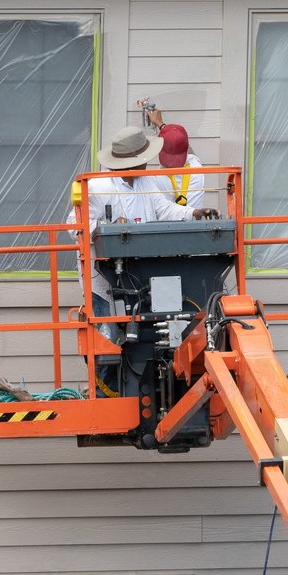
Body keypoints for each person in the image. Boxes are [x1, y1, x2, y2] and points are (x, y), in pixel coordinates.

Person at [71, 125, 217, 395]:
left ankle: (133, 391)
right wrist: (107, 227)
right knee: (108, 336)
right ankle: (104, 396)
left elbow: (164, 209)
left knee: (141, 335)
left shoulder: (145, 182)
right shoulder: (97, 186)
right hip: (103, 277)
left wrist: (193, 213)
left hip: (138, 275)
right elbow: (73, 224)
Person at [145, 108, 204, 209]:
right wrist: (161, 124)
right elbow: (184, 145)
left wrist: (160, 124)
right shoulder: (196, 166)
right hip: (195, 223)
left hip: (167, 224)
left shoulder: (157, 179)